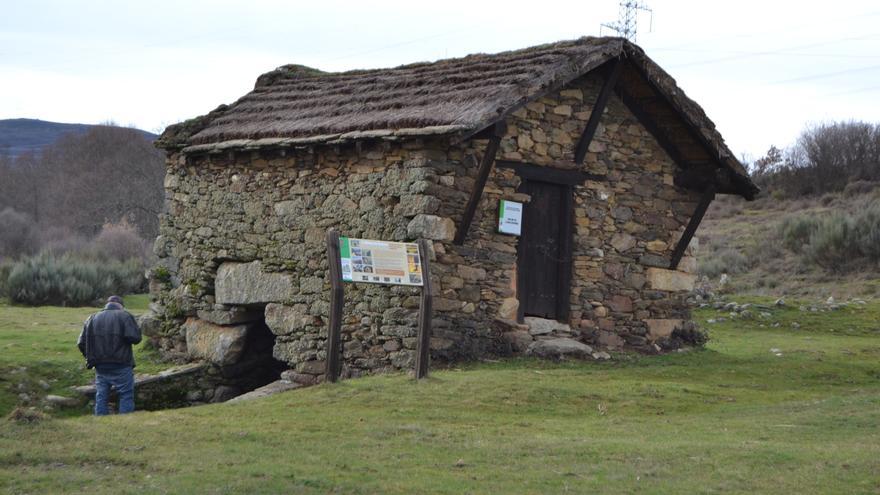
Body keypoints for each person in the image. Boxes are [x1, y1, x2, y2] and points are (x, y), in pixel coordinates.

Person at [77, 295, 142, 415]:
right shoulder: (125, 315)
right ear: (121, 306)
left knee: (101, 395)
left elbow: (81, 343)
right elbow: (135, 338)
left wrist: (90, 357)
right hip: (121, 363)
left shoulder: (92, 318)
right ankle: (126, 422)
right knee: (125, 394)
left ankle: (100, 422)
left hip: (100, 365)